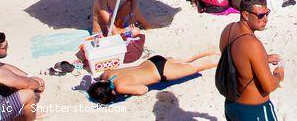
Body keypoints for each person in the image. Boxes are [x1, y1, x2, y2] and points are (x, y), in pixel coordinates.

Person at [218, 0, 284, 121]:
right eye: (260, 15)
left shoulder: (229, 29)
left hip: (232, 106)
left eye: (267, 13)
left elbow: (235, 61)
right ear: (245, 15)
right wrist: (278, 76)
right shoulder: (253, 45)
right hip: (254, 110)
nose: (265, 19)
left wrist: (263, 58)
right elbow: (269, 86)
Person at [87, 50, 220, 103]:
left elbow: (143, 89)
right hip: (153, 61)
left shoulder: (120, 87)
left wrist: (125, 93)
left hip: (161, 72)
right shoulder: (107, 74)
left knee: (196, 68)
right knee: (186, 59)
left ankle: (220, 61)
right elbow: (103, 75)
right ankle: (210, 50)